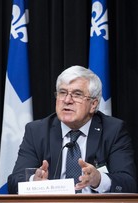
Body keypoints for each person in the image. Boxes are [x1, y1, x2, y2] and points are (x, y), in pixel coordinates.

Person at [8, 65, 137, 194]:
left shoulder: (113, 130)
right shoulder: (37, 131)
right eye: (62, 93)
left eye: (77, 94)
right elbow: (14, 183)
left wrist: (99, 179)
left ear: (93, 104)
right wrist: (33, 182)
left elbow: (128, 183)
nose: (67, 100)